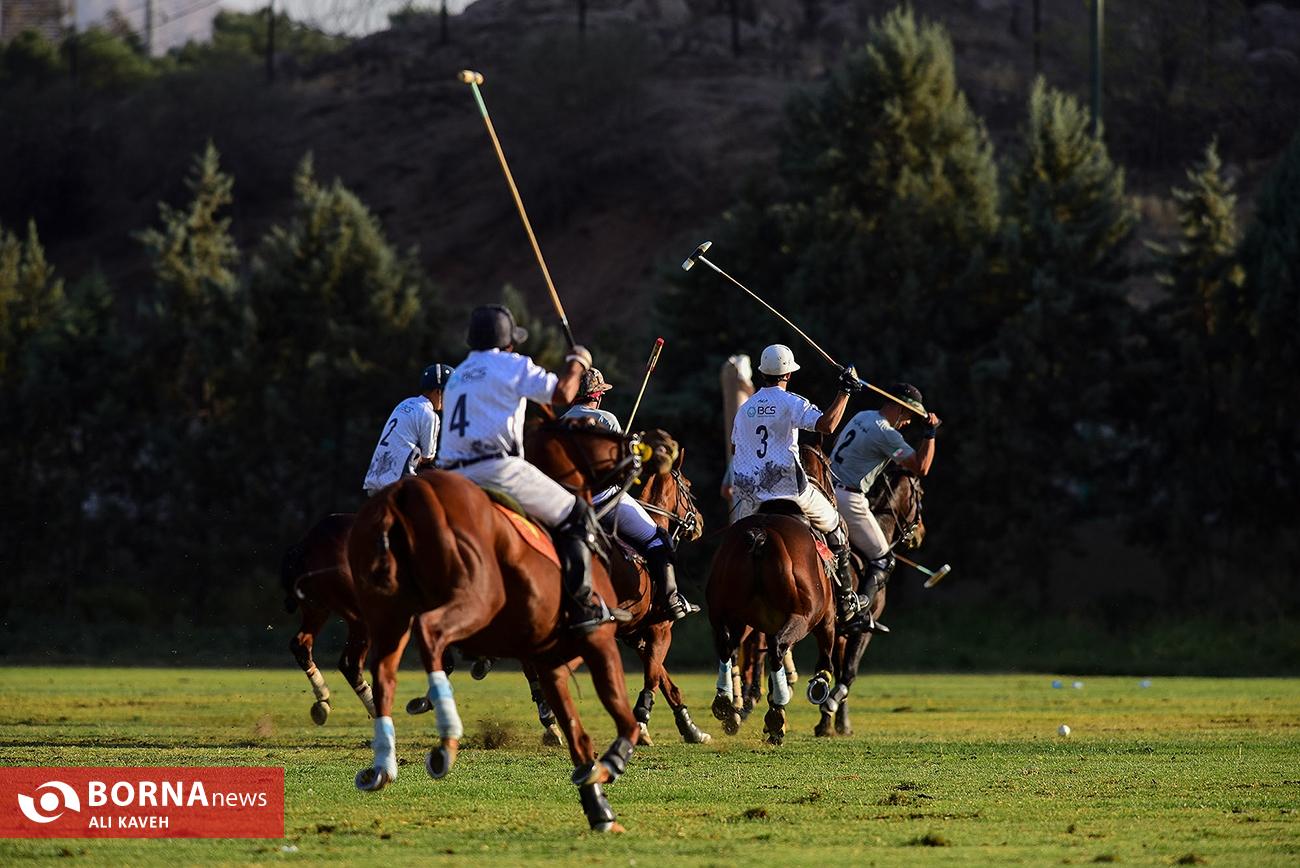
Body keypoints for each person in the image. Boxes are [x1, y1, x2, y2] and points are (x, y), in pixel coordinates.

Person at [437, 304, 617, 634]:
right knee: (578, 514)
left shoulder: (458, 375)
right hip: (497, 468)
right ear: (508, 343)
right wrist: (577, 362)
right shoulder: (512, 364)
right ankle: (581, 607)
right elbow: (563, 393)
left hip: (451, 477)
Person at [729, 344, 871, 631]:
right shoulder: (791, 402)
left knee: (737, 545)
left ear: (762, 373)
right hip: (787, 489)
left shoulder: (744, 409)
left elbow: (735, 447)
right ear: (789, 375)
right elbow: (827, 425)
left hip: (749, 495)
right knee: (836, 525)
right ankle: (846, 598)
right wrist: (845, 392)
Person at [561, 368, 698, 622]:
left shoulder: (560, 423)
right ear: (598, 395)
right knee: (659, 538)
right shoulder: (606, 419)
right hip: (605, 501)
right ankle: (670, 601)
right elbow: (621, 469)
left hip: (567, 505)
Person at [829, 383, 941, 630]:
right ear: (899, 408)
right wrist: (930, 433)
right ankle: (857, 613)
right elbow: (921, 467)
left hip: (823, 491)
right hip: (848, 499)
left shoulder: (862, 416)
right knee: (884, 559)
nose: (908, 422)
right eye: (909, 415)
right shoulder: (886, 434)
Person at [363, 363, 454, 498]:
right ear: (438, 391)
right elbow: (427, 458)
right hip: (396, 485)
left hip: (373, 481)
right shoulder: (430, 415)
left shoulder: (405, 403)